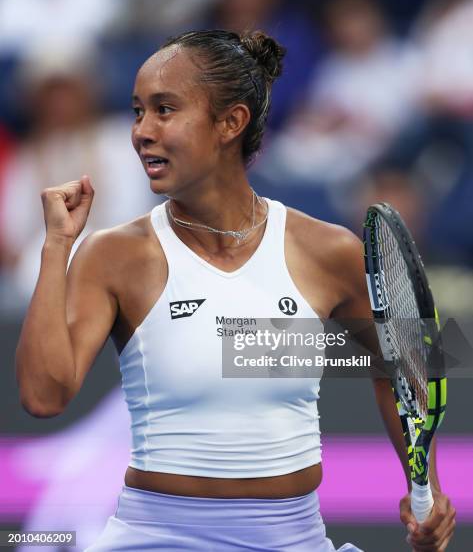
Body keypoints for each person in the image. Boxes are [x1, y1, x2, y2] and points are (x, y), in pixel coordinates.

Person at [16, 30, 456, 551]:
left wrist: (424, 487)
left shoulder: (326, 251)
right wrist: (57, 247)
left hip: (294, 539)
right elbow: (44, 395)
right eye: (138, 112)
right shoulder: (113, 255)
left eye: (164, 109)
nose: (142, 132)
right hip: (154, 539)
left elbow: (399, 364)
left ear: (231, 123)